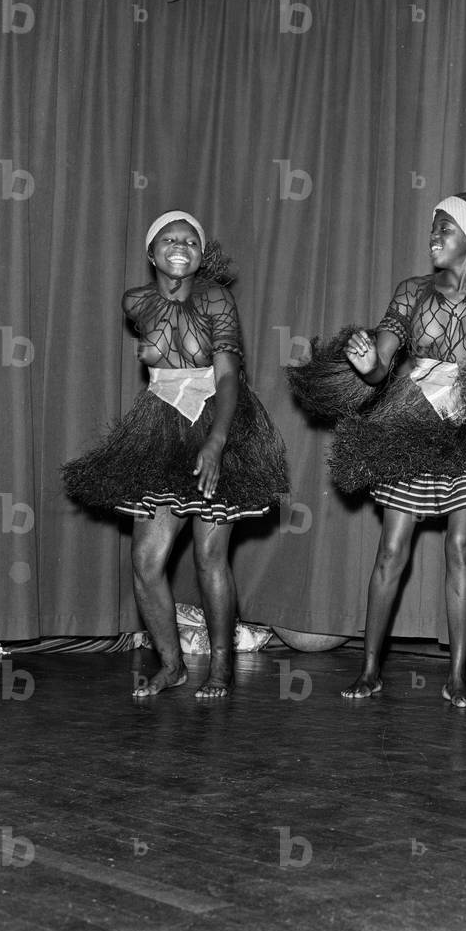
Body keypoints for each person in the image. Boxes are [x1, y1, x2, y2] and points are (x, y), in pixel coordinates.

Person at [335, 187, 466, 708]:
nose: (433, 236)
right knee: (391, 548)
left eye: (445, 228)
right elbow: (381, 365)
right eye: (433, 226)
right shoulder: (411, 291)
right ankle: (370, 669)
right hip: (412, 419)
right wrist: (369, 365)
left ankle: (457, 676)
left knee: (461, 546)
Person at [63, 212, 289, 698]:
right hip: (160, 425)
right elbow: (159, 341)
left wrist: (217, 442)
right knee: (146, 560)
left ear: (201, 255)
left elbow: (227, 375)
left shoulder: (216, 298)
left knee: (210, 555)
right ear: (152, 253)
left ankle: (222, 667)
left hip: (216, 417)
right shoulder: (135, 302)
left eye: (190, 240)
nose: (180, 246)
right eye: (169, 239)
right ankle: (172, 665)